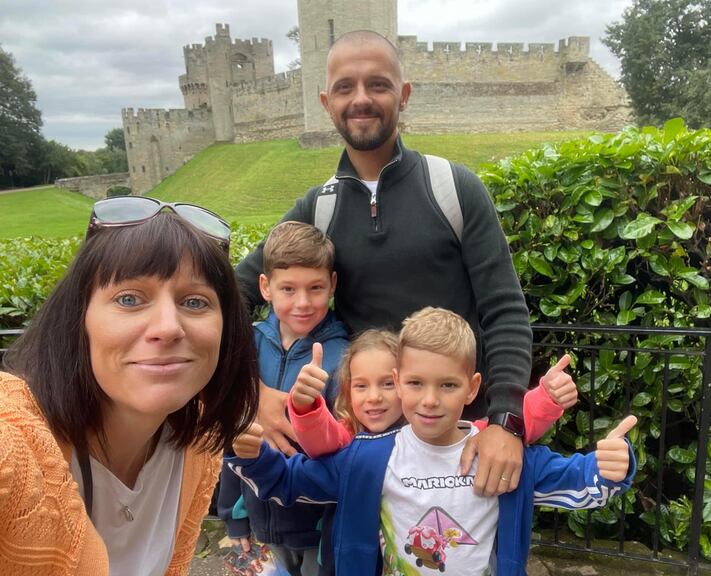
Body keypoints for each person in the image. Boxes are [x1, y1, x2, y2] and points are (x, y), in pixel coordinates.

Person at [235, 29, 537, 496]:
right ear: (325, 101)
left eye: (378, 84)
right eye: (345, 87)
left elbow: (506, 313)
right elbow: (227, 297)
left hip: (459, 451)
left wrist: (506, 422)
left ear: (404, 94)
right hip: (363, 453)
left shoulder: (454, 188)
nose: (361, 99)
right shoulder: (319, 208)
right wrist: (251, 395)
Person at [227, 307, 637, 575]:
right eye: (415, 383)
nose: (429, 400)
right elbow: (288, 482)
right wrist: (254, 455)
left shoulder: (499, 453)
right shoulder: (366, 458)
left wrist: (610, 467)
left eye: (447, 385)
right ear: (399, 385)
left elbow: (577, 481)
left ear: (473, 388)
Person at [0, 196, 260, 575]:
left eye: (195, 301)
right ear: (79, 319)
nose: (169, 326)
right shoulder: (13, 445)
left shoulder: (198, 448)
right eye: (128, 298)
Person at [218, 221, 349, 576]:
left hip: (319, 528)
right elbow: (233, 435)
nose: (303, 303)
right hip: (259, 522)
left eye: (316, 288)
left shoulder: (346, 357)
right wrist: (233, 517)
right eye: (288, 289)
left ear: (333, 285)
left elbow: (343, 451)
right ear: (265, 287)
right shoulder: (244, 347)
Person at [287, 330, 576, 457]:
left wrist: (546, 397)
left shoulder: (437, 431)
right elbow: (322, 443)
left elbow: (499, 430)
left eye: (387, 384)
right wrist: (305, 404)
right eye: (361, 386)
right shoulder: (349, 437)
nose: (374, 396)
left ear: (402, 385)